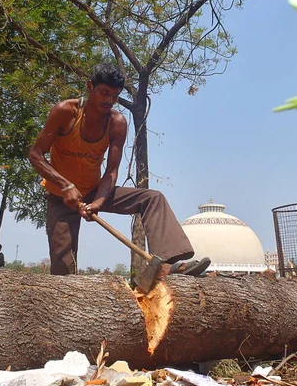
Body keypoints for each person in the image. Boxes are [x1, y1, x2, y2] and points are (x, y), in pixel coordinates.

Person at [28, 63, 210, 277]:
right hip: (61, 196)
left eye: (114, 95)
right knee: (63, 270)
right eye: (104, 92)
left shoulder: (116, 123)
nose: (108, 100)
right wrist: (66, 185)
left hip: (95, 190)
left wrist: (99, 201)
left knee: (153, 198)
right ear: (90, 87)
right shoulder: (66, 112)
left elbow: (112, 171)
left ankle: (168, 265)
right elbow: (35, 155)